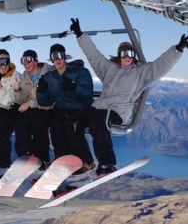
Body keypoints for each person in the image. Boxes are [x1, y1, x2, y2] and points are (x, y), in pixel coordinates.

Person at [70, 18, 188, 177]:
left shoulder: (141, 73)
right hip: (99, 107)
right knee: (72, 122)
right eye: (124, 53)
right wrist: (80, 35)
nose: (127, 57)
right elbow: (94, 55)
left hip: (119, 111)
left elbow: (161, 65)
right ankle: (85, 161)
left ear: (134, 56)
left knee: (98, 121)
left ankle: (107, 163)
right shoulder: (108, 69)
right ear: (119, 56)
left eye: (130, 53)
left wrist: (177, 49)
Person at [36, 43, 95, 174]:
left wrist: (74, 88)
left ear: (64, 56)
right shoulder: (50, 77)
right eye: (54, 56)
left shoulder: (80, 72)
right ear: (51, 59)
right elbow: (44, 102)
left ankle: (85, 161)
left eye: (59, 55)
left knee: (71, 124)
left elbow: (87, 95)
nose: (57, 59)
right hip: (61, 110)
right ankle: (63, 160)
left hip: (80, 109)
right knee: (55, 124)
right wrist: (41, 91)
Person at [14, 50, 52, 168]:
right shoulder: (25, 76)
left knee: (38, 124)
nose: (26, 64)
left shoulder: (48, 72)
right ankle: (24, 156)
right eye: (23, 61)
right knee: (20, 124)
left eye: (29, 60)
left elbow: (48, 95)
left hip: (46, 107)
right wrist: (17, 90)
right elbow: (21, 100)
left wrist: (29, 103)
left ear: (36, 60)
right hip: (31, 108)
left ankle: (42, 158)